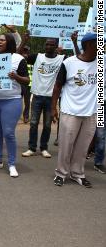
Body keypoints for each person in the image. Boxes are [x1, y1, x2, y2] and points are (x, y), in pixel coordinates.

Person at [51, 33, 98, 188]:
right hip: (70, 111)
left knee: (82, 147)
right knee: (66, 145)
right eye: (99, 43)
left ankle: (77, 173)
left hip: (91, 113)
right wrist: (53, 109)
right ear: (90, 45)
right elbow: (57, 86)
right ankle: (61, 173)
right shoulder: (69, 63)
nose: (102, 46)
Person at [0, 33, 29, 178]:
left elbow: (26, 80)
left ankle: (11, 164)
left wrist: (15, 76)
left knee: (8, 132)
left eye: (2, 40)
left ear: (9, 42)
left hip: (11, 100)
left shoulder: (18, 59)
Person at [19, 34, 65, 159]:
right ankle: (31, 148)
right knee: (33, 123)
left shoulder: (62, 59)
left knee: (47, 125)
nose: (48, 46)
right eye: (47, 44)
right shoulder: (37, 57)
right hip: (37, 96)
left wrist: (75, 43)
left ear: (56, 47)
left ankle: (44, 148)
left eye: (51, 44)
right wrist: (24, 40)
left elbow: (78, 59)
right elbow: (18, 55)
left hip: (51, 98)